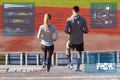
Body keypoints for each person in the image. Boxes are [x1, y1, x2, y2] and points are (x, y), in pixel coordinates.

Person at [64, 6, 89, 71]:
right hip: (80, 40)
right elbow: (86, 30)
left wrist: (70, 33)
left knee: (67, 49)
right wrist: (81, 31)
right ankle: (78, 68)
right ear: (78, 11)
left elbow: (66, 30)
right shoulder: (83, 19)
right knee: (79, 53)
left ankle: (70, 63)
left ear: (72, 11)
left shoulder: (69, 19)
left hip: (72, 39)